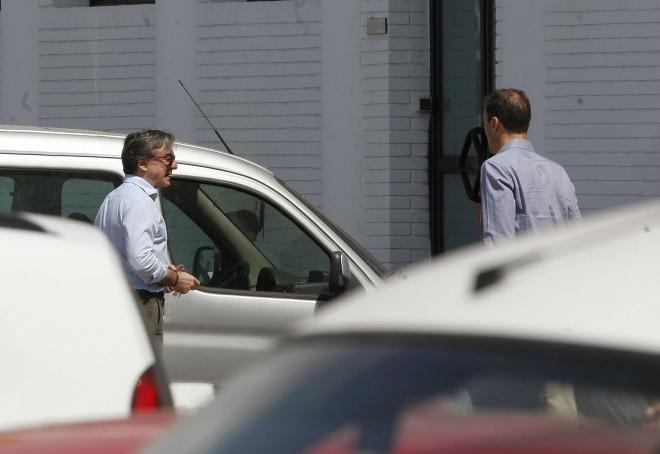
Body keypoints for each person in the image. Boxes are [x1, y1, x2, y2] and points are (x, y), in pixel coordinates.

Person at [95, 129, 199, 349]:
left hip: (121, 299)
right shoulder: (140, 201)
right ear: (143, 163)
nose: (175, 165)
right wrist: (173, 278)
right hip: (141, 303)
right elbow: (140, 260)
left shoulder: (114, 198)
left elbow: (124, 255)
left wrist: (164, 270)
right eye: (168, 158)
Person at [480, 88, 581, 244]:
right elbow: (576, 234)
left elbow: (498, 243)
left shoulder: (496, 168)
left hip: (524, 268)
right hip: (560, 266)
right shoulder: (558, 171)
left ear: (494, 124)